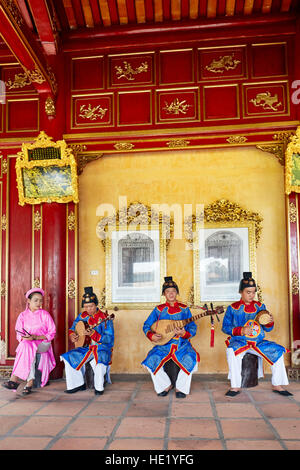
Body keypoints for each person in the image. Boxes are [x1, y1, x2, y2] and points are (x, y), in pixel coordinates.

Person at [222, 272, 292, 397]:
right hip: (240, 342)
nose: (251, 295)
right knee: (231, 351)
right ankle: (235, 386)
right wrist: (241, 331)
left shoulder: (260, 306)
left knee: (277, 351)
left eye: (253, 292)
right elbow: (225, 327)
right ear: (241, 292)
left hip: (258, 342)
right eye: (248, 292)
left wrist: (270, 322)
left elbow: (268, 328)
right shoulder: (232, 308)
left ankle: (277, 384)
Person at [142, 276, 200, 398]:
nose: (171, 294)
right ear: (164, 294)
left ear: (177, 292)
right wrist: (151, 335)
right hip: (164, 345)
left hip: (181, 344)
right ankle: (165, 385)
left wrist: (184, 334)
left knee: (190, 358)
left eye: (173, 291)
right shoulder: (158, 310)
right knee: (151, 359)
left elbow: (193, 328)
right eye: (168, 291)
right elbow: (147, 325)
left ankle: (181, 387)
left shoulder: (184, 309)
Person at [2, 288, 56, 395]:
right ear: (28, 301)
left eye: (40, 300)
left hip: (43, 343)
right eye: (36, 300)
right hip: (28, 344)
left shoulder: (44, 314)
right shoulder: (22, 316)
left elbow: (52, 333)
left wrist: (36, 337)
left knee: (26, 347)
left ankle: (14, 379)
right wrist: (25, 338)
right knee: (26, 346)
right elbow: (19, 333)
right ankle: (29, 382)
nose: (39, 303)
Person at [61, 286, 114, 395]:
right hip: (86, 349)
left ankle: (99, 388)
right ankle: (77, 384)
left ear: (96, 305)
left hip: (101, 348)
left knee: (99, 364)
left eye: (91, 306)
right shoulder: (82, 316)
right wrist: (73, 335)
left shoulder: (104, 318)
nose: (88, 309)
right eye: (86, 307)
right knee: (68, 357)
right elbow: (73, 328)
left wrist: (94, 334)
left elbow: (109, 338)